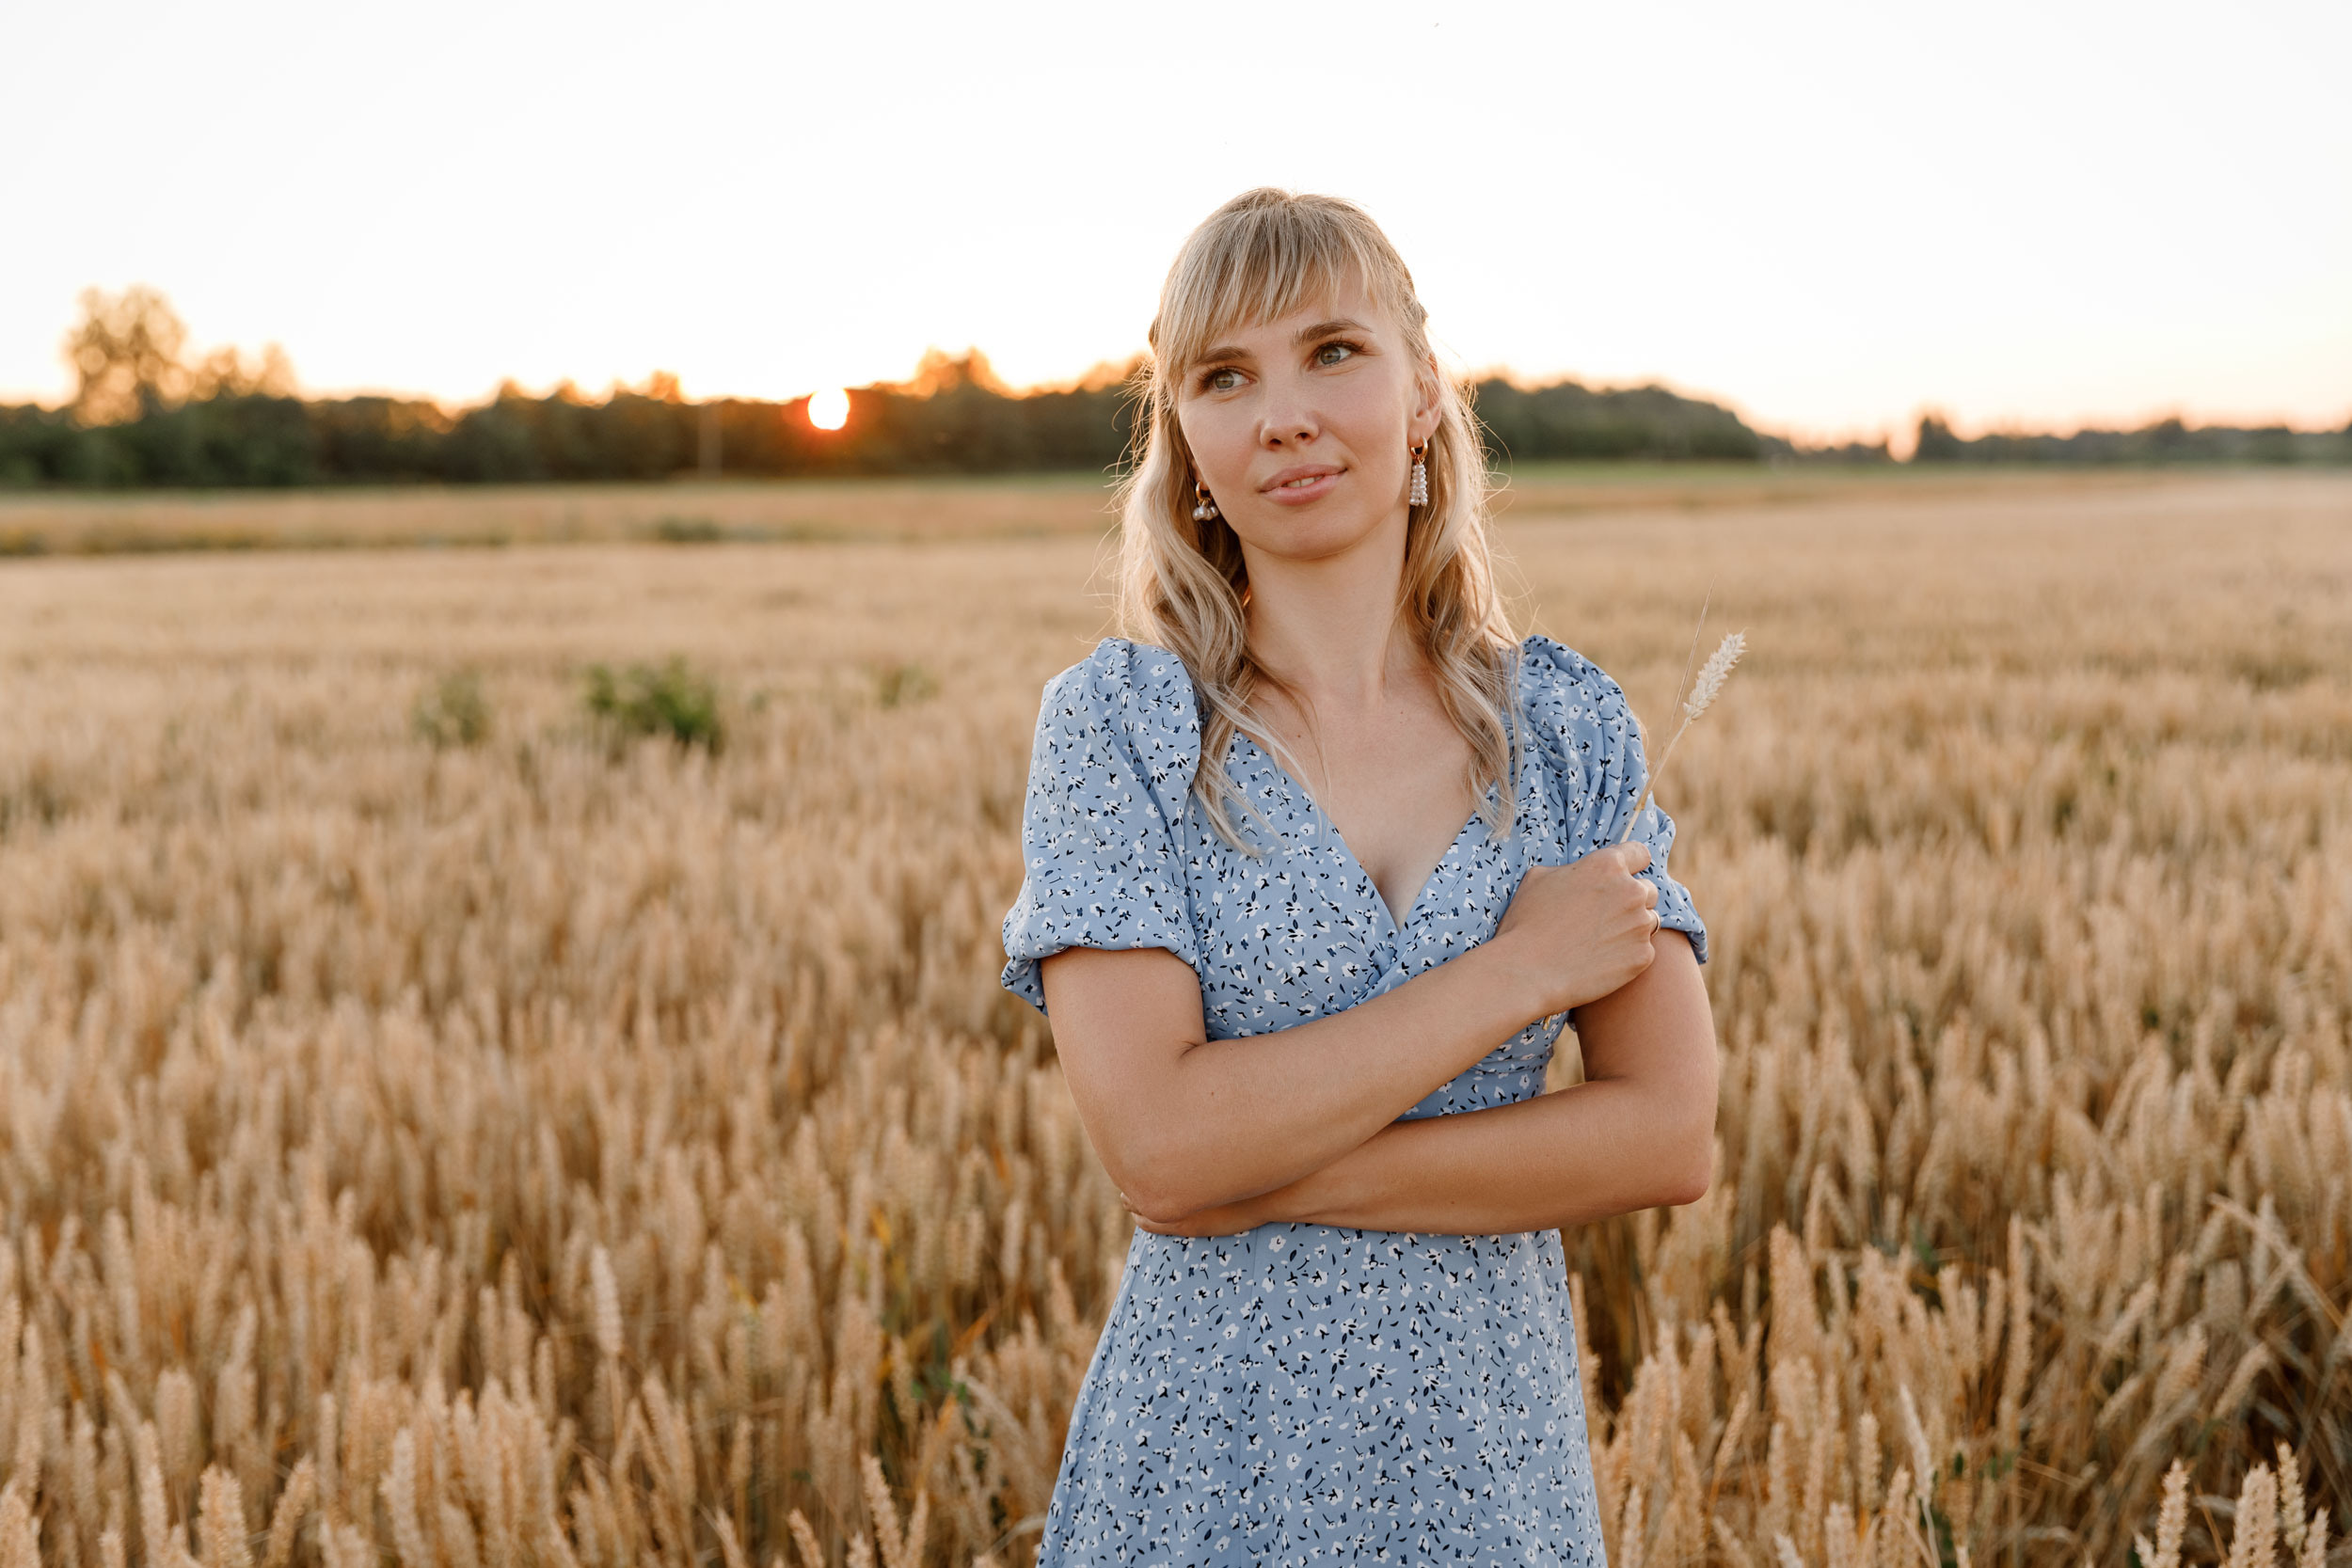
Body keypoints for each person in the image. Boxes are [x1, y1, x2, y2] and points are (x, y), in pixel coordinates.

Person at [997, 187, 1718, 1566]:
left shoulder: (1566, 733)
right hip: (1206, 1473)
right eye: (1226, 376)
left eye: (1333, 351)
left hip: (1487, 1483)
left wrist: (1254, 1176)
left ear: (1426, 392)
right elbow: (1157, 1146)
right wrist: (1518, 972)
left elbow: (1665, 1136)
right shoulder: (1119, 733)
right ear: (1188, 449)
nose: (1284, 414)